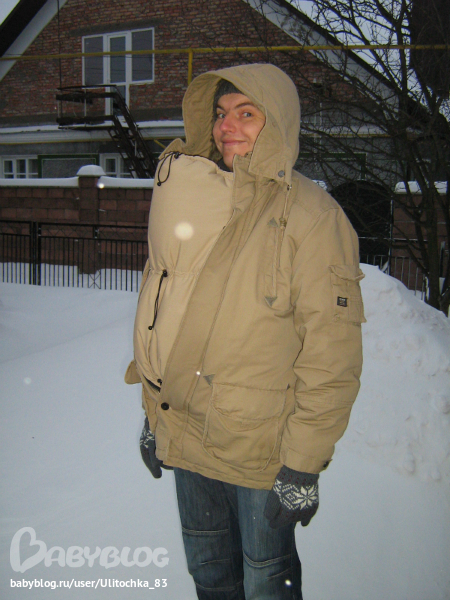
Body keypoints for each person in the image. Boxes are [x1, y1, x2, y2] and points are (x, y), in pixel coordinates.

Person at [125, 63, 365, 600]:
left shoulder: (313, 217)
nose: (226, 127)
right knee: (209, 574)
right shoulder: (201, 199)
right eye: (220, 114)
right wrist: (155, 415)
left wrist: (303, 466)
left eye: (246, 114)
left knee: (266, 583)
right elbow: (163, 313)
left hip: (260, 450)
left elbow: (332, 355)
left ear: (276, 122)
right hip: (189, 435)